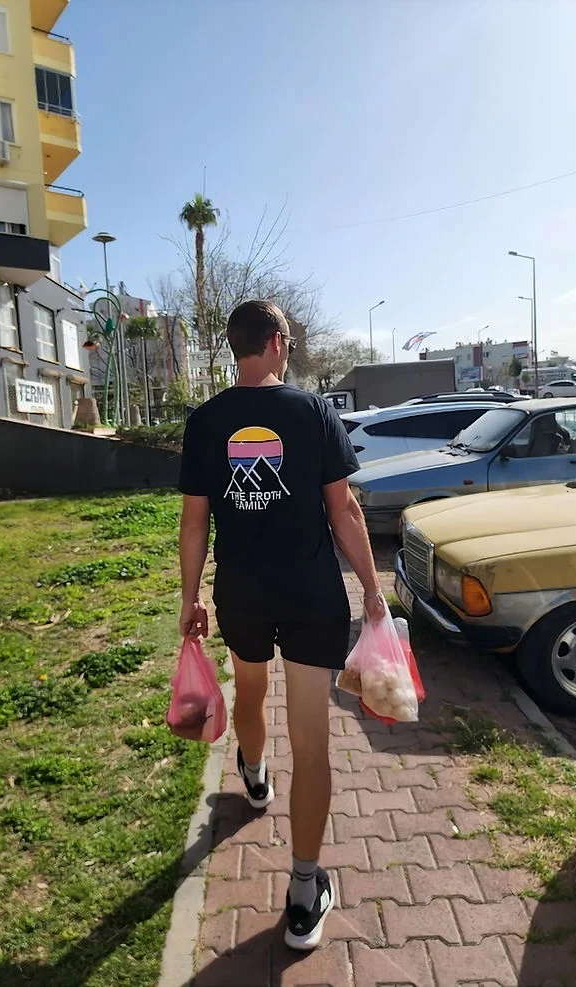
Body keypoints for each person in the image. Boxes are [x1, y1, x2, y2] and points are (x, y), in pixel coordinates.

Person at [178, 299, 385, 951]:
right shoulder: (312, 412)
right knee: (313, 733)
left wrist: (190, 599)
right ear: (272, 343)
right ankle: (304, 887)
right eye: (288, 339)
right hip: (310, 594)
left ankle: (255, 772)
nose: (289, 348)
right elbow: (344, 510)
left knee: (248, 691)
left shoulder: (206, 421)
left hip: (241, 589)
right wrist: (375, 591)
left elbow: (193, 522)